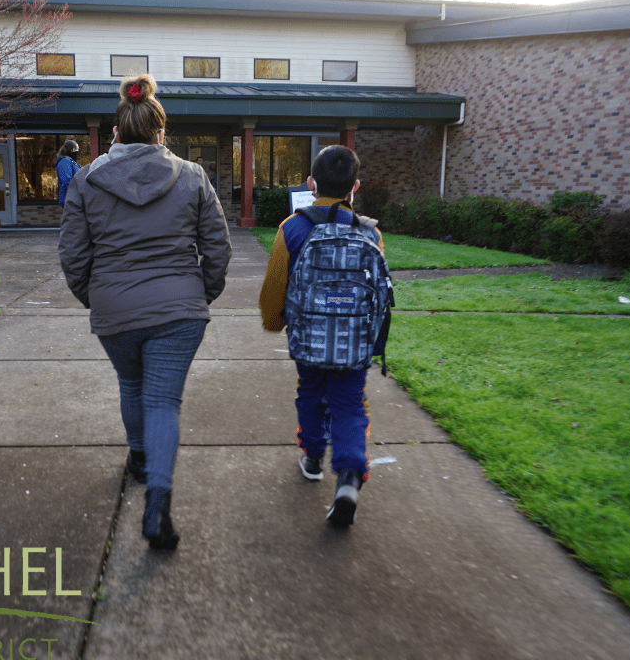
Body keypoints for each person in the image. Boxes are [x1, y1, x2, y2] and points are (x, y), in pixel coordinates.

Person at [58, 74, 232, 550]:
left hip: (116, 309)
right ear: (161, 134)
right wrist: (201, 294)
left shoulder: (89, 180)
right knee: (163, 401)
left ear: (116, 133)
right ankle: (158, 502)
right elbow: (218, 247)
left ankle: (138, 456)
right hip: (180, 311)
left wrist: (95, 298)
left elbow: (73, 255)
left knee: (132, 384)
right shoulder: (193, 176)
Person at [258, 145, 385, 526]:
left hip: (309, 338)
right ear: (355, 187)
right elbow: (380, 291)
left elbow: (274, 288)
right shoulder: (370, 233)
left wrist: (274, 323)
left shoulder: (291, 228)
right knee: (349, 405)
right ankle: (349, 476)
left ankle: (312, 456)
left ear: (312, 184)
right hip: (354, 343)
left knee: (310, 393)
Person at [56, 139, 81, 207]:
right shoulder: (65, 162)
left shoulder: (72, 162)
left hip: (74, 199)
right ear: (73, 150)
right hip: (70, 200)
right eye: (77, 149)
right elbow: (67, 181)